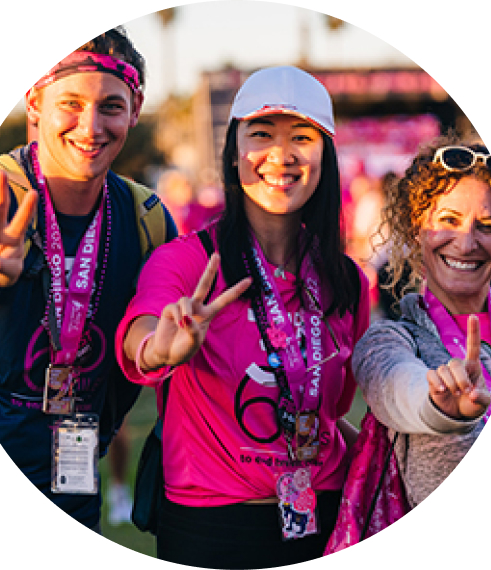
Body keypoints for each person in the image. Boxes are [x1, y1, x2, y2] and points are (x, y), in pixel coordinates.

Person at [116, 66, 369, 568]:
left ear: (326, 156)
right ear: (233, 153)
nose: (282, 154)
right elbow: (140, 338)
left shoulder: (346, 279)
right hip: (210, 525)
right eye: (261, 135)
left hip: (324, 516)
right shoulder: (188, 261)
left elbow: (334, 409)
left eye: (302, 136)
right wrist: (164, 349)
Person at [0, 27, 177, 532]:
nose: (90, 126)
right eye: (70, 103)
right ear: (35, 101)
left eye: (112, 107)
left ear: (134, 112)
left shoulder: (148, 218)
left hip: (75, 488)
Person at [334, 133, 491, 543]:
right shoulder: (391, 341)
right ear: (416, 229)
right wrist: (441, 406)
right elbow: (398, 385)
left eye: (487, 226)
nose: (466, 243)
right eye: (448, 221)